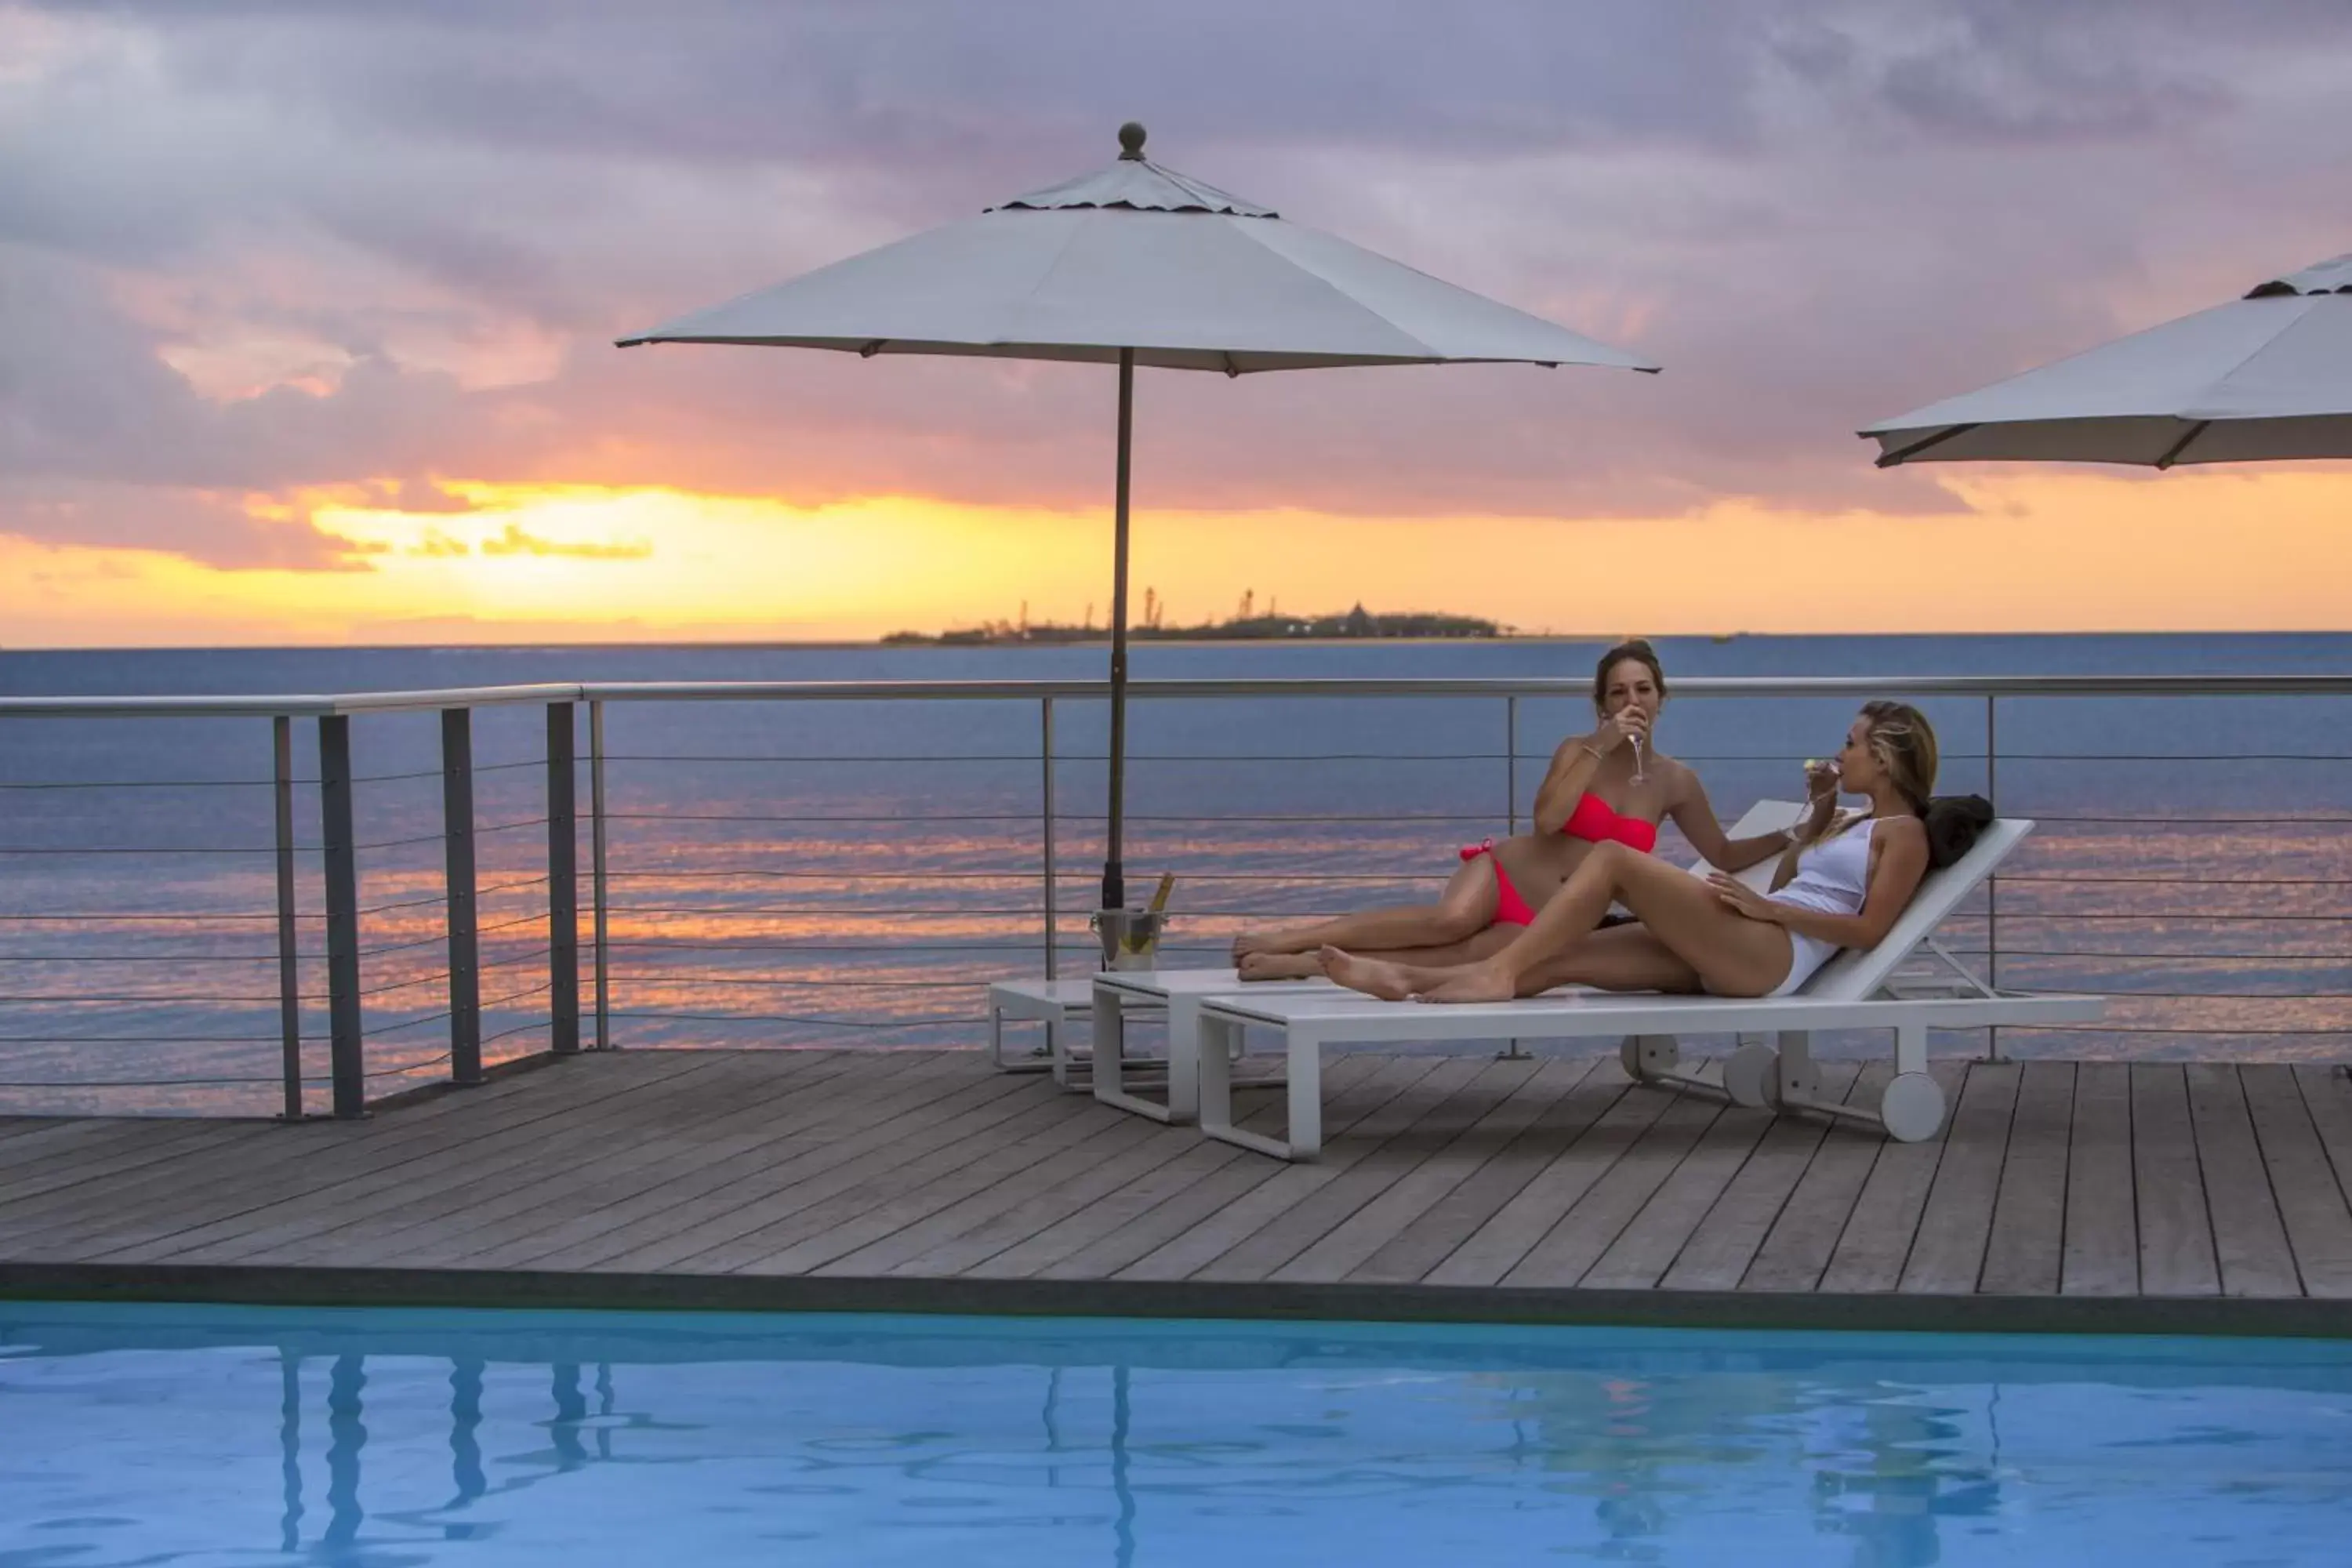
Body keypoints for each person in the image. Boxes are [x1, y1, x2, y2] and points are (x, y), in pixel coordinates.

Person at [1229, 640, 1791, 981]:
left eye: (1643, 690)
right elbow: (1548, 821)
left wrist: (1794, 833)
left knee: (1468, 956)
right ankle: (1290, 938)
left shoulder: (1676, 780)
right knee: (1448, 922)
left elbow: (1720, 851)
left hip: (1558, 915)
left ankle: (1307, 966)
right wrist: (1600, 744)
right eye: (1618, 693)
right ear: (1601, 705)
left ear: (1662, 699)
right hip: (1508, 875)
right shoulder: (1579, 750)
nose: (1632, 703)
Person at [1321, 700, 1939, 1004]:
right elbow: (1788, 882)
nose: (1842, 751)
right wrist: (1820, 819)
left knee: (1614, 857)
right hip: (1749, 943)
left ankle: (1496, 973)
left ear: (1882, 760)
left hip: (1773, 956)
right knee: (1571, 955)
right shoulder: (1854, 821)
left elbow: (1869, 930)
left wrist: (1774, 913)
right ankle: (1408, 980)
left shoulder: (1903, 833)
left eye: (1852, 743)